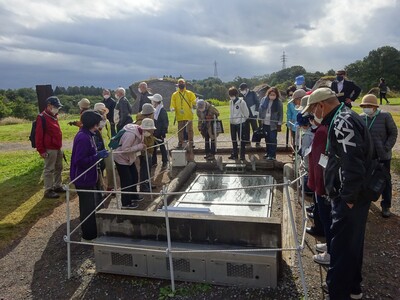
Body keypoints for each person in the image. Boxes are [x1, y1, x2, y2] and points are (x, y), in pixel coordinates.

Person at [302, 87, 374, 300]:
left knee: (342, 247)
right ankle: (354, 287)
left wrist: (348, 198)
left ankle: (338, 292)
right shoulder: (346, 116)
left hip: (349, 197)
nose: (313, 114)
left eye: (313, 109)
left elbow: (352, 160)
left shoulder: (342, 122)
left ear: (321, 106)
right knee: (353, 243)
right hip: (353, 194)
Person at [70, 110, 108, 241]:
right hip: (84, 178)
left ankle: (94, 231)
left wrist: (96, 152)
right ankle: (88, 236)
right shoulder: (83, 137)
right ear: (94, 124)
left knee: (93, 205)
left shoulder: (89, 134)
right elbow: (79, 161)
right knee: (88, 208)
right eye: (98, 123)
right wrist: (97, 156)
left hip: (90, 177)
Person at [360, 94, 398, 217]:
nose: (367, 108)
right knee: (366, 178)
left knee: (385, 180)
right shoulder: (361, 118)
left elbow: (393, 133)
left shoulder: (385, 116)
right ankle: (366, 201)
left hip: (383, 156)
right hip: (367, 156)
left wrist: (386, 148)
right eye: (364, 106)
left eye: (369, 106)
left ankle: (386, 205)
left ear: (375, 106)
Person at [113, 120, 154, 209]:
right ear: (146, 129)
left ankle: (133, 195)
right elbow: (125, 149)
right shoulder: (131, 134)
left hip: (129, 158)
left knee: (134, 176)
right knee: (126, 180)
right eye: (151, 130)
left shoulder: (140, 132)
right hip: (120, 157)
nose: (152, 132)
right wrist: (140, 147)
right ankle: (126, 202)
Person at [35, 96, 65, 199]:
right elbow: (38, 135)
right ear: (49, 106)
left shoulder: (54, 116)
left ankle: (58, 185)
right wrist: (41, 150)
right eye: (55, 106)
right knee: (49, 169)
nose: (57, 109)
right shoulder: (42, 117)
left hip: (57, 147)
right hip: (49, 147)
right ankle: (48, 189)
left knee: (59, 167)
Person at [170, 78, 197, 149]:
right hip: (179, 115)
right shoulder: (175, 94)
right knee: (180, 130)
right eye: (180, 83)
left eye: (182, 83)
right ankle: (180, 142)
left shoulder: (189, 93)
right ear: (178, 85)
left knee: (190, 130)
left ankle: (191, 142)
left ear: (184, 84)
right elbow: (173, 103)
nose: (181, 85)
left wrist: (196, 102)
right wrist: (172, 108)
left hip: (188, 114)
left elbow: (193, 101)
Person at [258, 87, 283, 160]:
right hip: (265, 123)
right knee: (267, 139)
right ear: (268, 94)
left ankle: (272, 155)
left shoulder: (279, 102)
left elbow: (281, 114)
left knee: (272, 139)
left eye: (274, 94)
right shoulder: (264, 100)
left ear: (276, 95)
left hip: (273, 124)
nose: (272, 96)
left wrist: (279, 124)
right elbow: (260, 109)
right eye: (271, 94)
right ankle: (268, 153)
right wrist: (260, 119)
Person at [135, 104, 156, 193]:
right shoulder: (141, 123)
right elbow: (143, 137)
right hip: (144, 150)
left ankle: (147, 183)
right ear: (150, 114)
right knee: (144, 168)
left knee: (148, 167)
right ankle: (144, 186)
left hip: (149, 148)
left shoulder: (145, 120)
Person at [93, 102, 114, 192]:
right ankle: (101, 187)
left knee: (110, 168)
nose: (102, 113)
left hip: (107, 148)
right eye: (99, 111)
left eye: (103, 111)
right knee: (99, 169)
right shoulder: (93, 123)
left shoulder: (107, 122)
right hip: (97, 149)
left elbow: (109, 134)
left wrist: (111, 145)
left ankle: (110, 187)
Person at [228, 87, 249, 160]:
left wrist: (242, 120)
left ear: (236, 94)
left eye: (233, 95)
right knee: (234, 140)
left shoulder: (241, 102)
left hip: (240, 123)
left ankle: (242, 155)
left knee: (242, 140)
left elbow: (246, 114)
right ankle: (235, 154)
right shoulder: (230, 102)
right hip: (232, 123)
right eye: (230, 95)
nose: (231, 96)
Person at [150, 94, 169, 168]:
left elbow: (165, 122)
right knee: (153, 148)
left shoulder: (162, 110)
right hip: (154, 132)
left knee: (162, 147)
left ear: (156, 102)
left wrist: (163, 132)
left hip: (160, 132)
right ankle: (154, 161)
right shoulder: (155, 110)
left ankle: (165, 161)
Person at [239, 83, 260, 147]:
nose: (242, 91)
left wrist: (256, 111)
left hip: (252, 113)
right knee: (246, 128)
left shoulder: (252, 93)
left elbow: (257, 102)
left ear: (246, 88)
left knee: (255, 128)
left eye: (242, 89)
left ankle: (257, 142)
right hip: (245, 114)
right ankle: (247, 142)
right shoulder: (241, 94)